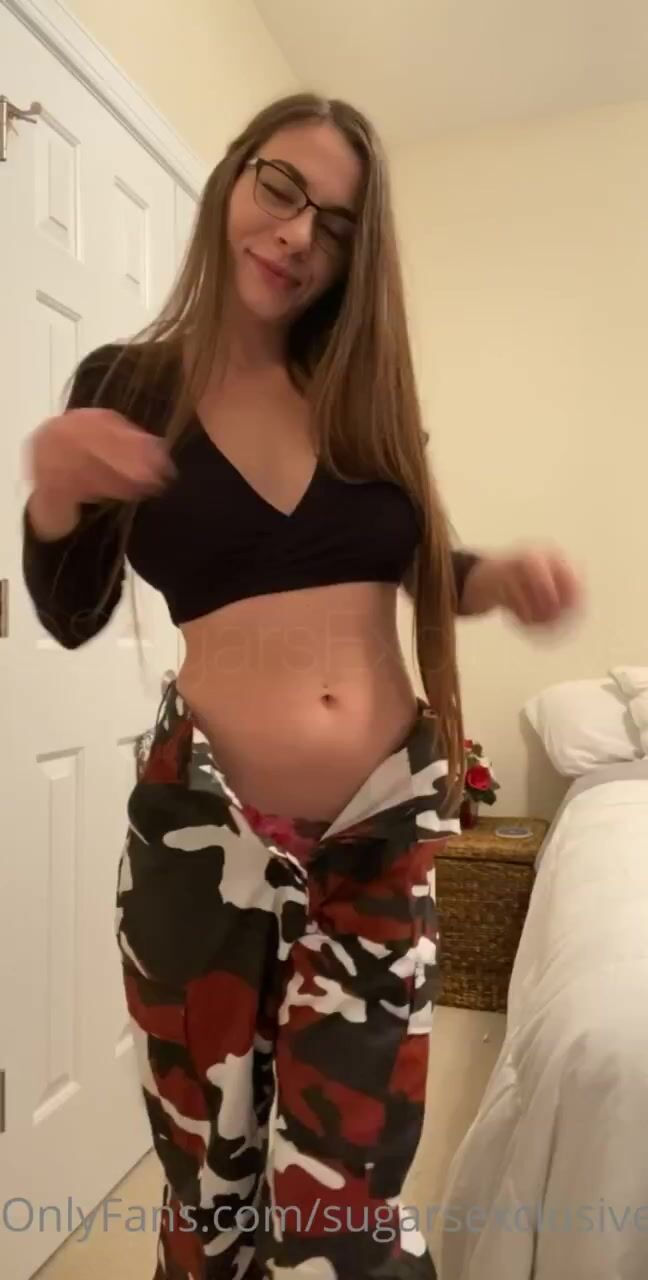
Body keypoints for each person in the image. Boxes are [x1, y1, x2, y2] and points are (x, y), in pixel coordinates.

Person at [21, 94, 580, 1280]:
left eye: (334, 223)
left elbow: (413, 563)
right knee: (206, 1189)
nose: (295, 236)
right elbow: (69, 611)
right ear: (234, 176)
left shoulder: (356, 396)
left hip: (376, 839)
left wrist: (490, 578)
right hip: (200, 839)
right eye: (281, 188)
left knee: (344, 1214)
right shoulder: (130, 383)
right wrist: (55, 488)